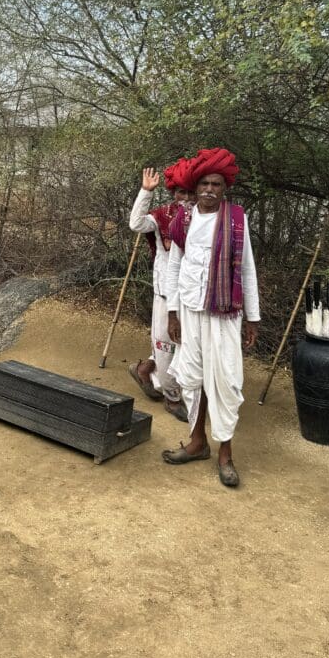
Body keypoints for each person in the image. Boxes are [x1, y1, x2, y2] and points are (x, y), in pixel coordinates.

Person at [163, 148, 260, 487]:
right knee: (192, 378)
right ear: (196, 185)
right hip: (190, 310)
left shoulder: (236, 219)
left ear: (224, 188)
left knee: (225, 382)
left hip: (224, 315)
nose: (208, 189)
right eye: (203, 183)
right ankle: (197, 441)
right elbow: (174, 266)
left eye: (215, 184)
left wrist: (253, 317)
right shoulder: (184, 219)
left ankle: (225, 454)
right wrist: (172, 313)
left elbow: (247, 268)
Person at [127, 164, 191, 421]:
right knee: (166, 343)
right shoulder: (163, 214)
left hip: (194, 296)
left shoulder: (207, 217)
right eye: (180, 192)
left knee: (185, 345)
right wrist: (146, 191)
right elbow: (136, 223)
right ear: (173, 192)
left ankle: (145, 371)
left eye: (190, 192)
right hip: (166, 292)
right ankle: (172, 398)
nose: (186, 198)